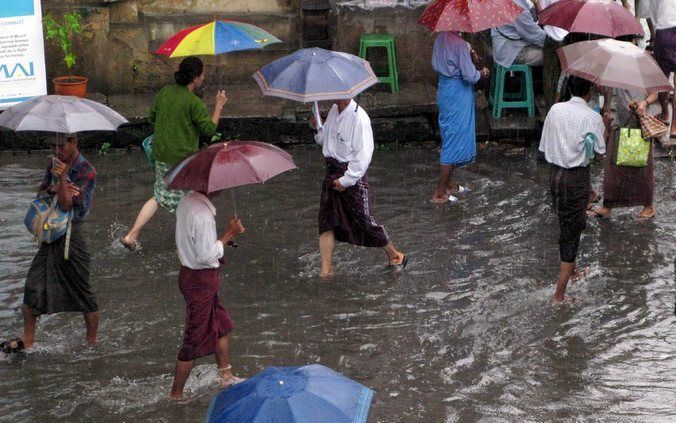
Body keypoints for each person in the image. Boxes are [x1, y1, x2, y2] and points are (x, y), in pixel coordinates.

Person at [2, 135, 98, 353]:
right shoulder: (52, 165)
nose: (57, 150)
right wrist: (54, 187)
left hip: (73, 235)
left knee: (84, 290)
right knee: (33, 283)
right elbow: (40, 193)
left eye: (61, 146)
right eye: (53, 146)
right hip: (51, 232)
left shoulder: (86, 170)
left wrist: (62, 179)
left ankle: (92, 342)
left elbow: (67, 204)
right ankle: (28, 339)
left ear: (74, 143)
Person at [120, 56, 227, 251]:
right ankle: (186, 246)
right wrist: (219, 105)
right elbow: (209, 131)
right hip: (183, 160)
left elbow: (152, 116)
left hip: (161, 154)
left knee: (159, 196)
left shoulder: (164, 92)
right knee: (187, 202)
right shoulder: (194, 103)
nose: (203, 78)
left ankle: (131, 235)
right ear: (195, 78)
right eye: (202, 74)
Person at [310, 98, 406, 278]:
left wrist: (346, 180)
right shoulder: (333, 111)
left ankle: (394, 255)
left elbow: (363, 157)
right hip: (331, 174)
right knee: (326, 223)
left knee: (365, 221)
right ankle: (326, 272)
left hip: (351, 177)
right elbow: (326, 142)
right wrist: (318, 127)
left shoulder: (359, 118)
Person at [538, 76, 612, 304]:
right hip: (575, 178)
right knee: (571, 233)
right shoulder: (592, 117)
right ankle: (559, 295)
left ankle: (574, 271)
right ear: (589, 92)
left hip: (555, 175)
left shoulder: (555, 109)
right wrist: (606, 125)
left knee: (570, 223)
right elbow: (599, 152)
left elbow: (544, 146)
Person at [170, 190, 245, 398]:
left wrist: (223, 241)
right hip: (200, 281)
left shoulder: (187, 201)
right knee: (193, 339)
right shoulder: (202, 216)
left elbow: (197, 246)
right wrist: (229, 234)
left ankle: (225, 376)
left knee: (223, 324)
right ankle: (175, 395)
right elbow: (205, 256)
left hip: (193, 276)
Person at [430, 31, 489, 203]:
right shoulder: (460, 45)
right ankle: (439, 192)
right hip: (458, 93)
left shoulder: (441, 38)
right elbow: (470, 76)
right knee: (454, 140)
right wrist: (483, 72)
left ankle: (450, 184)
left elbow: (437, 64)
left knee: (450, 135)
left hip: (445, 90)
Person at [588, 89, 656, 219]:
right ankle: (608, 206)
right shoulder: (619, 72)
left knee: (643, 168)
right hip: (621, 123)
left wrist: (644, 103)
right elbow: (610, 90)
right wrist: (606, 108)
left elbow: (655, 94)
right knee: (612, 167)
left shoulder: (645, 72)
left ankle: (648, 206)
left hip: (640, 126)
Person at [645, 0, 676, 139]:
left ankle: (665, 114)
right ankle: (675, 126)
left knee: (662, 77)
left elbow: (653, 13)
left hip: (665, 29)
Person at [491, 0, 546, 68]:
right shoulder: (517, 8)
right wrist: (557, 42)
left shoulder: (518, 2)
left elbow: (534, 18)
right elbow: (536, 36)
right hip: (511, 53)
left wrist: (536, 4)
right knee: (550, 54)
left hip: (504, 47)